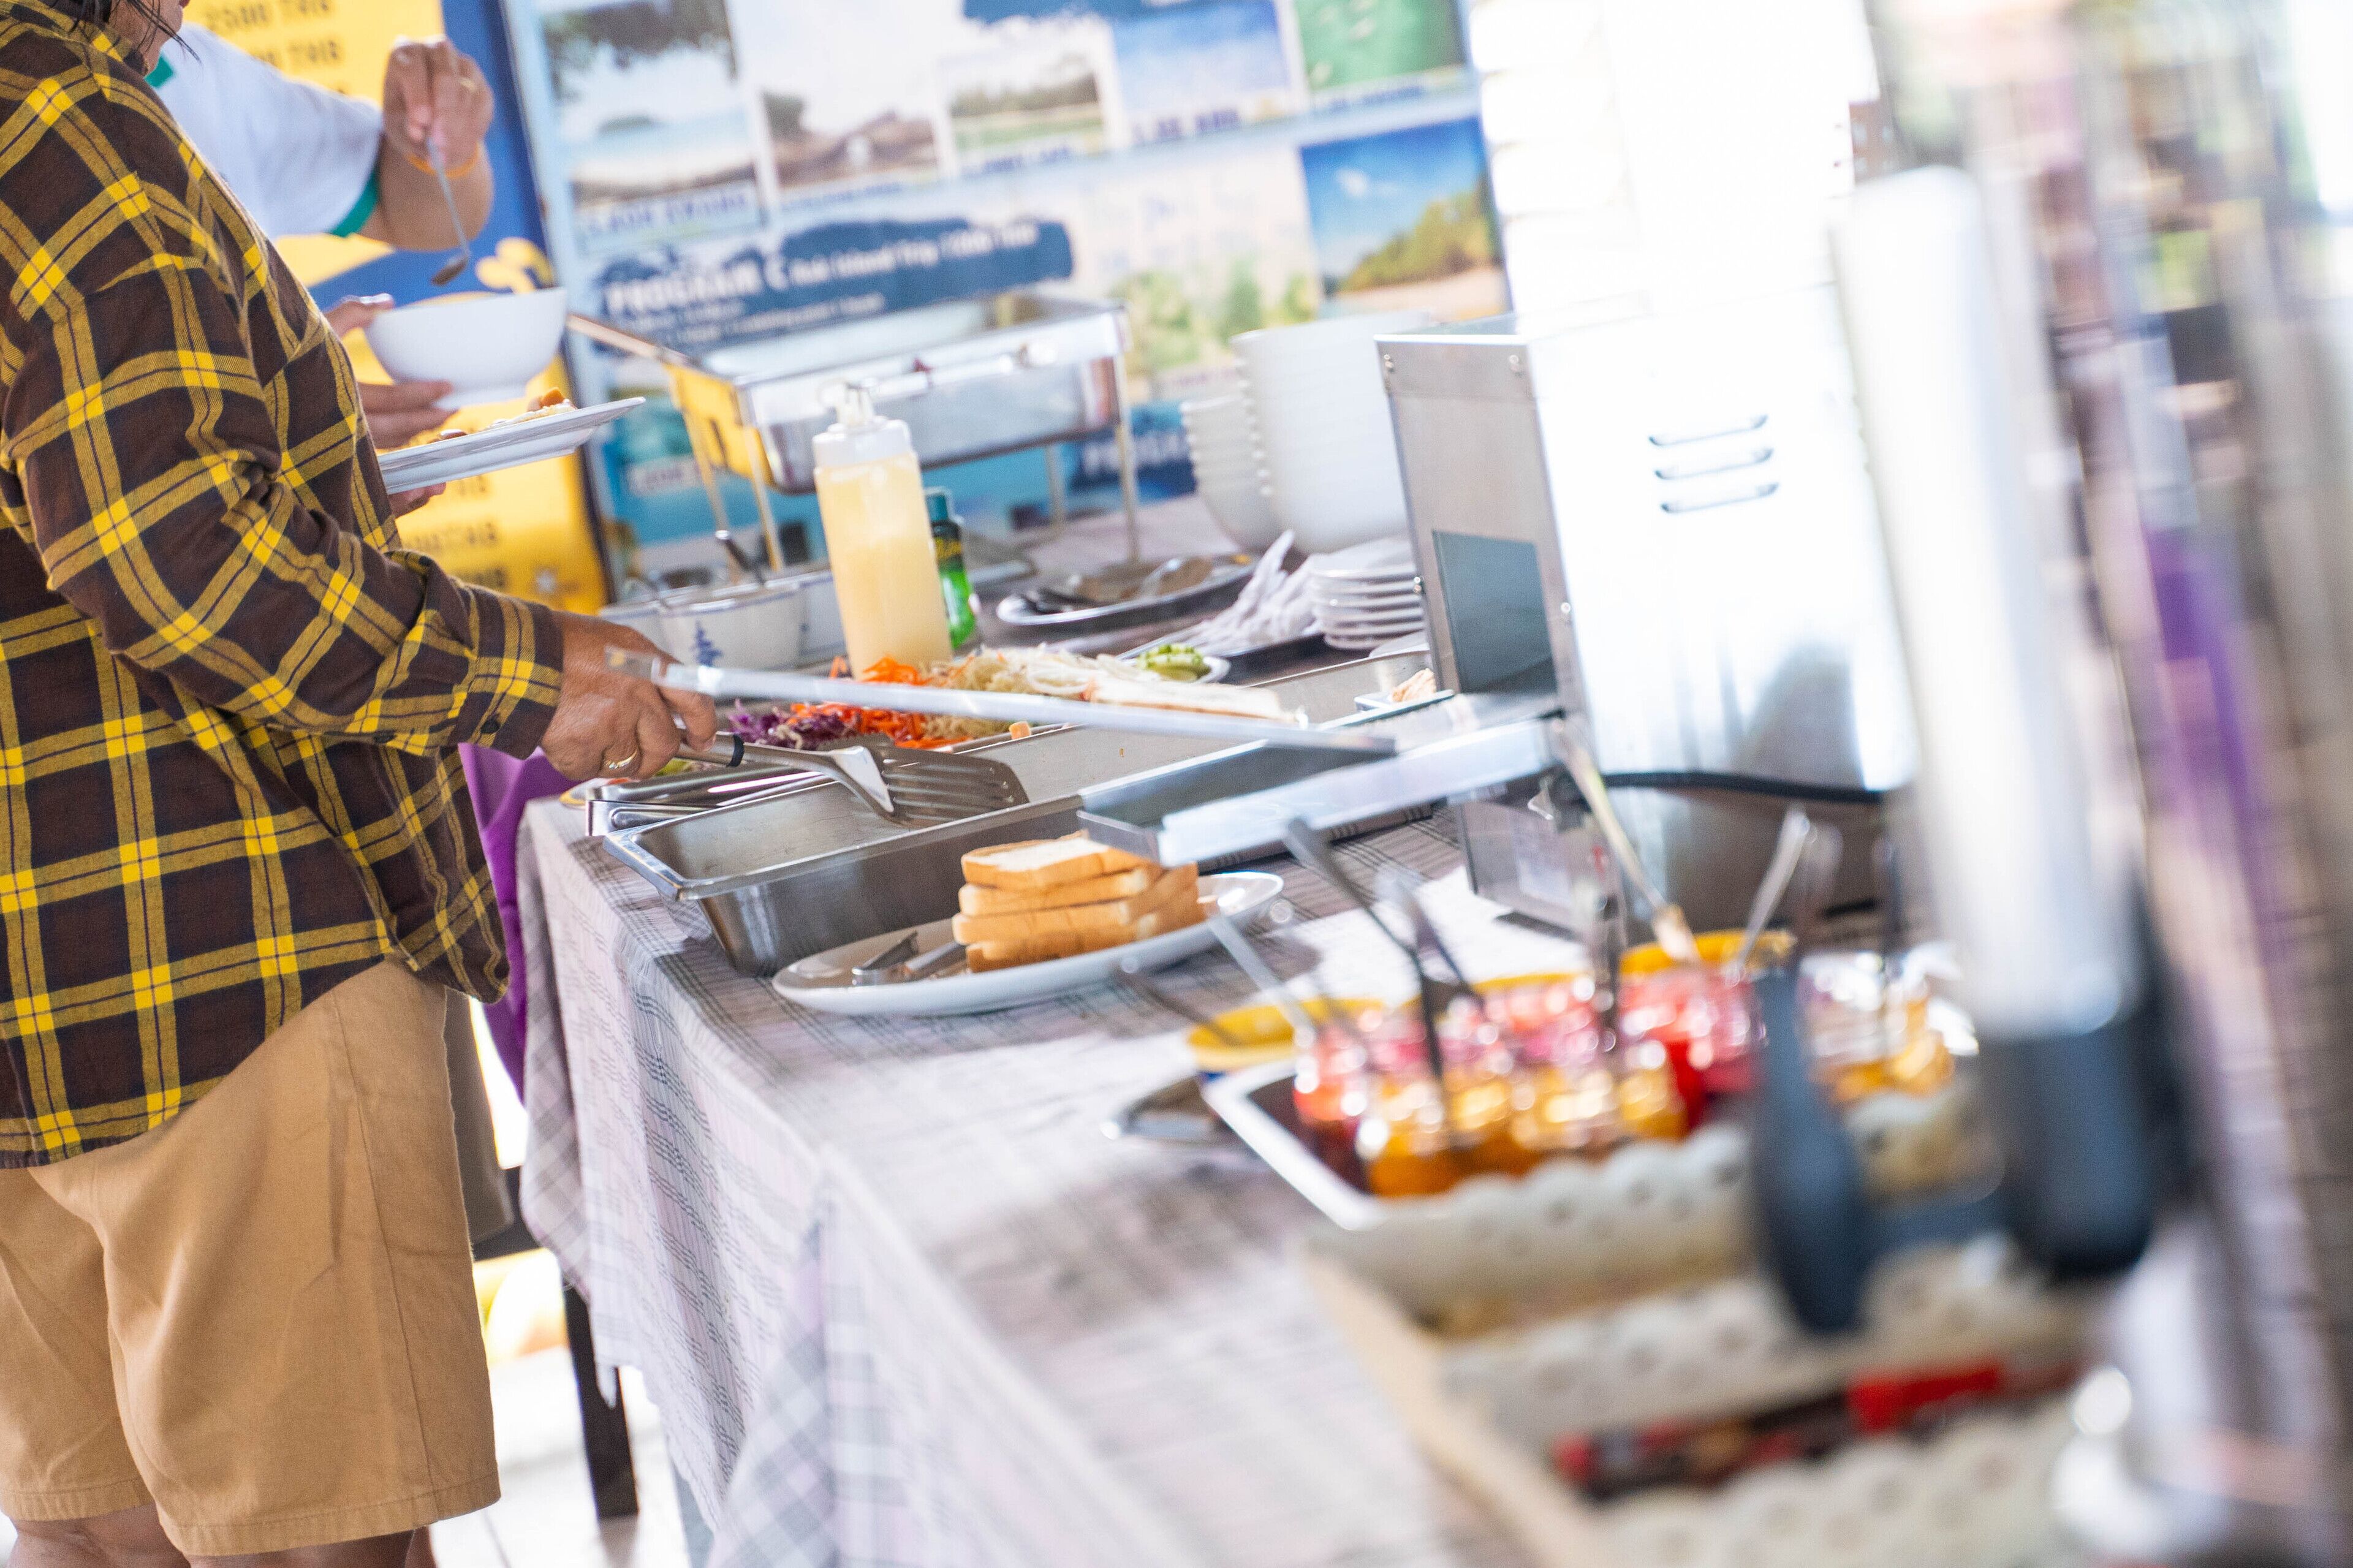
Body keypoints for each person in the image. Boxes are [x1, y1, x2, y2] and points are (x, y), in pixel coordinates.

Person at [0, 8, 718, 1568]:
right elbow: (175, 558)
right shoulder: (61, 121)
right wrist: (533, 675)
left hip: (34, 979)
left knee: (96, 1532)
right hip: (211, 936)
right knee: (321, 1542)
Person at [151, 21, 499, 456]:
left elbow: (429, 216)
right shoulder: (55, 99)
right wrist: (266, 408)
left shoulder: (184, 59)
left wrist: (442, 145)